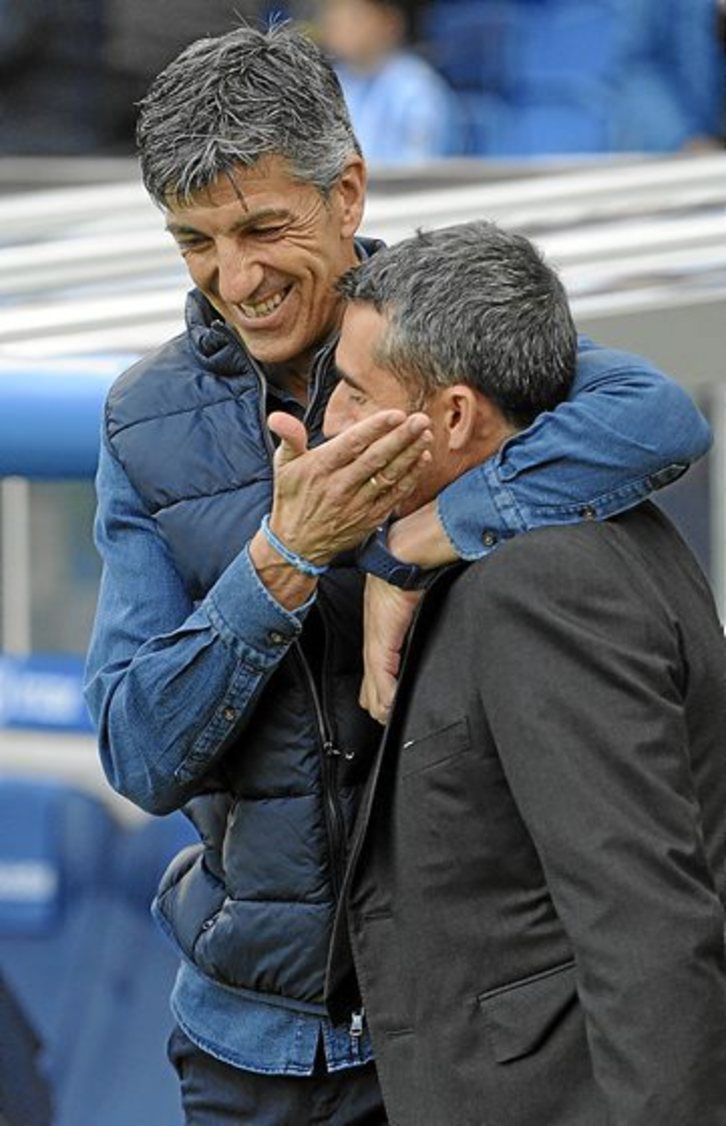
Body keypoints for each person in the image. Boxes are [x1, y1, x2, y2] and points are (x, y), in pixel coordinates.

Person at [83, 22, 711, 1125]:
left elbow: (654, 415)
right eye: (195, 242)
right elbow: (136, 753)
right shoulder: (143, 420)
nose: (237, 277)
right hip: (246, 1040)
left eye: (263, 227)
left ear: (349, 192)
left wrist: (410, 542)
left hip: (465, 1036)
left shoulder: (445, 321)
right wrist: (284, 562)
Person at [324, 221, 726, 1126]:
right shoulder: (541, 539)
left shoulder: (543, 584)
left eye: (355, 394)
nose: (330, 424)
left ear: (456, 416)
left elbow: (644, 919)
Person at [316, 0, 464, 163]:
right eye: (333, 16)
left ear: (389, 22)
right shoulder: (331, 83)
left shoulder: (416, 87)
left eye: (353, 17)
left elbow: (419, 167)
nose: (339, 26)